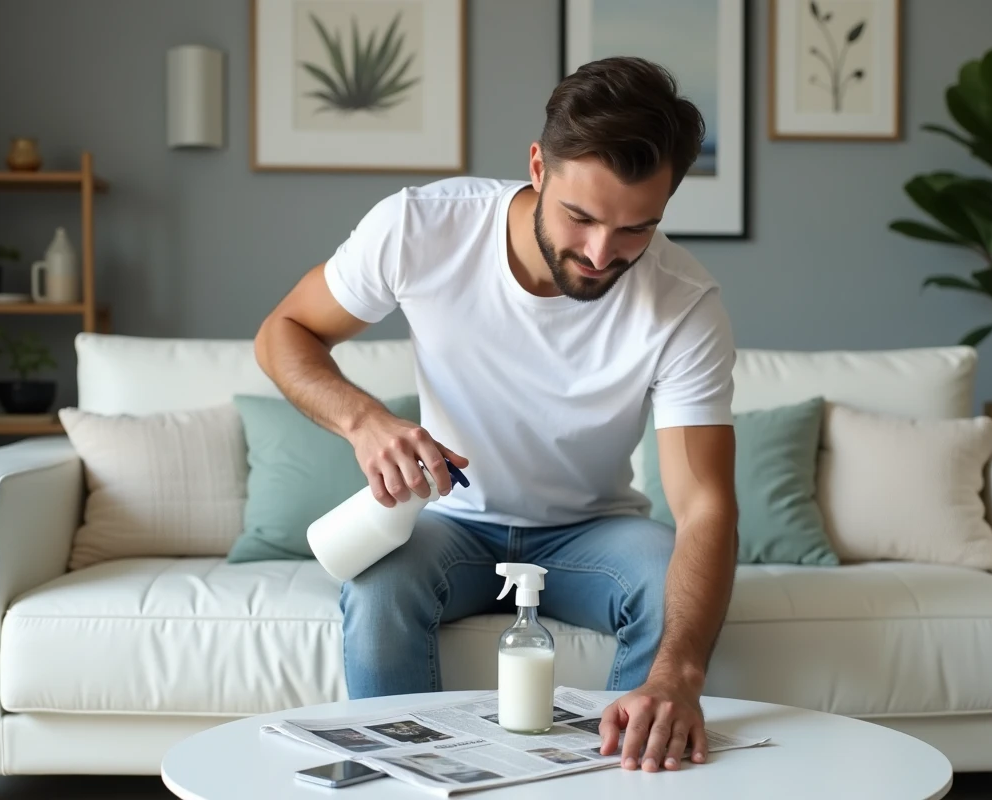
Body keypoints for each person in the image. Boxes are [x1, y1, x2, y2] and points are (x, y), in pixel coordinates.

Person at [254, 55, 739, 775]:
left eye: (637, 229)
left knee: (665, 573)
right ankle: (407, 784)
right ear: (538, 168)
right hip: (451, 519)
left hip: (593, 532)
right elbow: (283, 333)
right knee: (379, 587)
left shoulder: (684, 304)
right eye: (581, 217)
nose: (603, 254)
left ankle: (617, 782)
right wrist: (362, 420)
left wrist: (679, 676)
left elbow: (704, 507)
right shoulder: (421, 227)